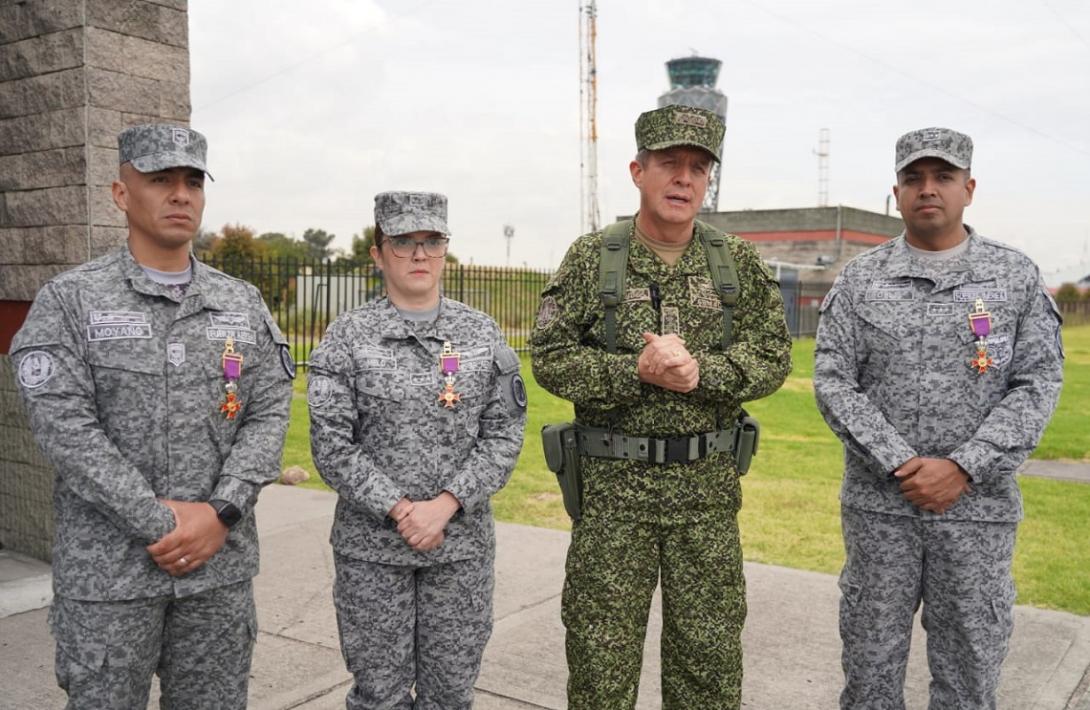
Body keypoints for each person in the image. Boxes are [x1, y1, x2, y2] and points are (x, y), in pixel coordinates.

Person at [11, 123, 294, 708]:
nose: (180, 194)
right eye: (160, 179)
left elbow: (267, 411)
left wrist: (223, 512)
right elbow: (65, 430)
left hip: (219, 568)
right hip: (110, 575)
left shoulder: (239, 303)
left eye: (192, 181)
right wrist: (160, 523)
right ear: (121, 194)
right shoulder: (71, 301)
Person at [530, 105, 792, 709]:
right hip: (613, 502)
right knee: (601, 665)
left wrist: (703, 374)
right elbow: (550, 356)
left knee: (710, 664)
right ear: (637, 171)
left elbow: (774, 356)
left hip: (706, 499)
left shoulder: (737, 265)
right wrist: (635, 371)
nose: (684, 179)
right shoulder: (593, 259)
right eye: (670, 164)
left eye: (698, 168)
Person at [814, 127, 1065, 709]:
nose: (928, 189)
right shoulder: (861, 279)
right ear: (896, 192)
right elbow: (833, 382)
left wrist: (964, 467)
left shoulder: (1014, 278)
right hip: (881, 512)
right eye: (914, 178)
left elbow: (1037, 384)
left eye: (943, 177)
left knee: (969, 676)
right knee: (870, 672)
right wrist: (903, 463)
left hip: (977, 514)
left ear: (969, 188)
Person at [307, 191, 527, 709]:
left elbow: (504, 435)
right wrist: (402, 510)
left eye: (432, 241)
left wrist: (445, 504)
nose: (419, 254)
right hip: (372, 552)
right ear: (378, 253)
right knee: (379, 697)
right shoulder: (348, 338)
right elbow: (332, 444)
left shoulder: (480, 333)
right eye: (403, 242)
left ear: (445, 249)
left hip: (460, 551)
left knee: (450, 696)